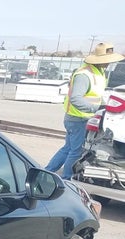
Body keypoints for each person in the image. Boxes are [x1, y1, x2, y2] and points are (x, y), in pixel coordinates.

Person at [45, 42, 124, 179]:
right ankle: (67, 178)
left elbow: (95, 96)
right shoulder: (84, 75)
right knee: (75, 151)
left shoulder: (98, 72)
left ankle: (47, 172)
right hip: (78, 118)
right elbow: (75, 98)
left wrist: (105, 105)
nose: (108, 63)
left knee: (68, 148)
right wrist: (96, 108)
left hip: (81, 118)